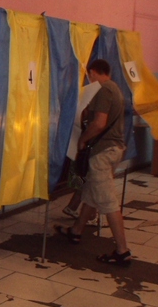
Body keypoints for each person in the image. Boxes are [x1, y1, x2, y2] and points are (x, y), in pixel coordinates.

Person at [54, 59, 130, 266]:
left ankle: (122, 251)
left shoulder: (104, 90)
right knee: (90, 193)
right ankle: (76, 231)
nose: (89, 79)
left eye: (89, 75)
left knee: (108, 202)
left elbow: (99, 123)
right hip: (113, 149)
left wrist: (83, 139)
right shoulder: (115, 88)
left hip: (103, 152)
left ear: (93, 72)